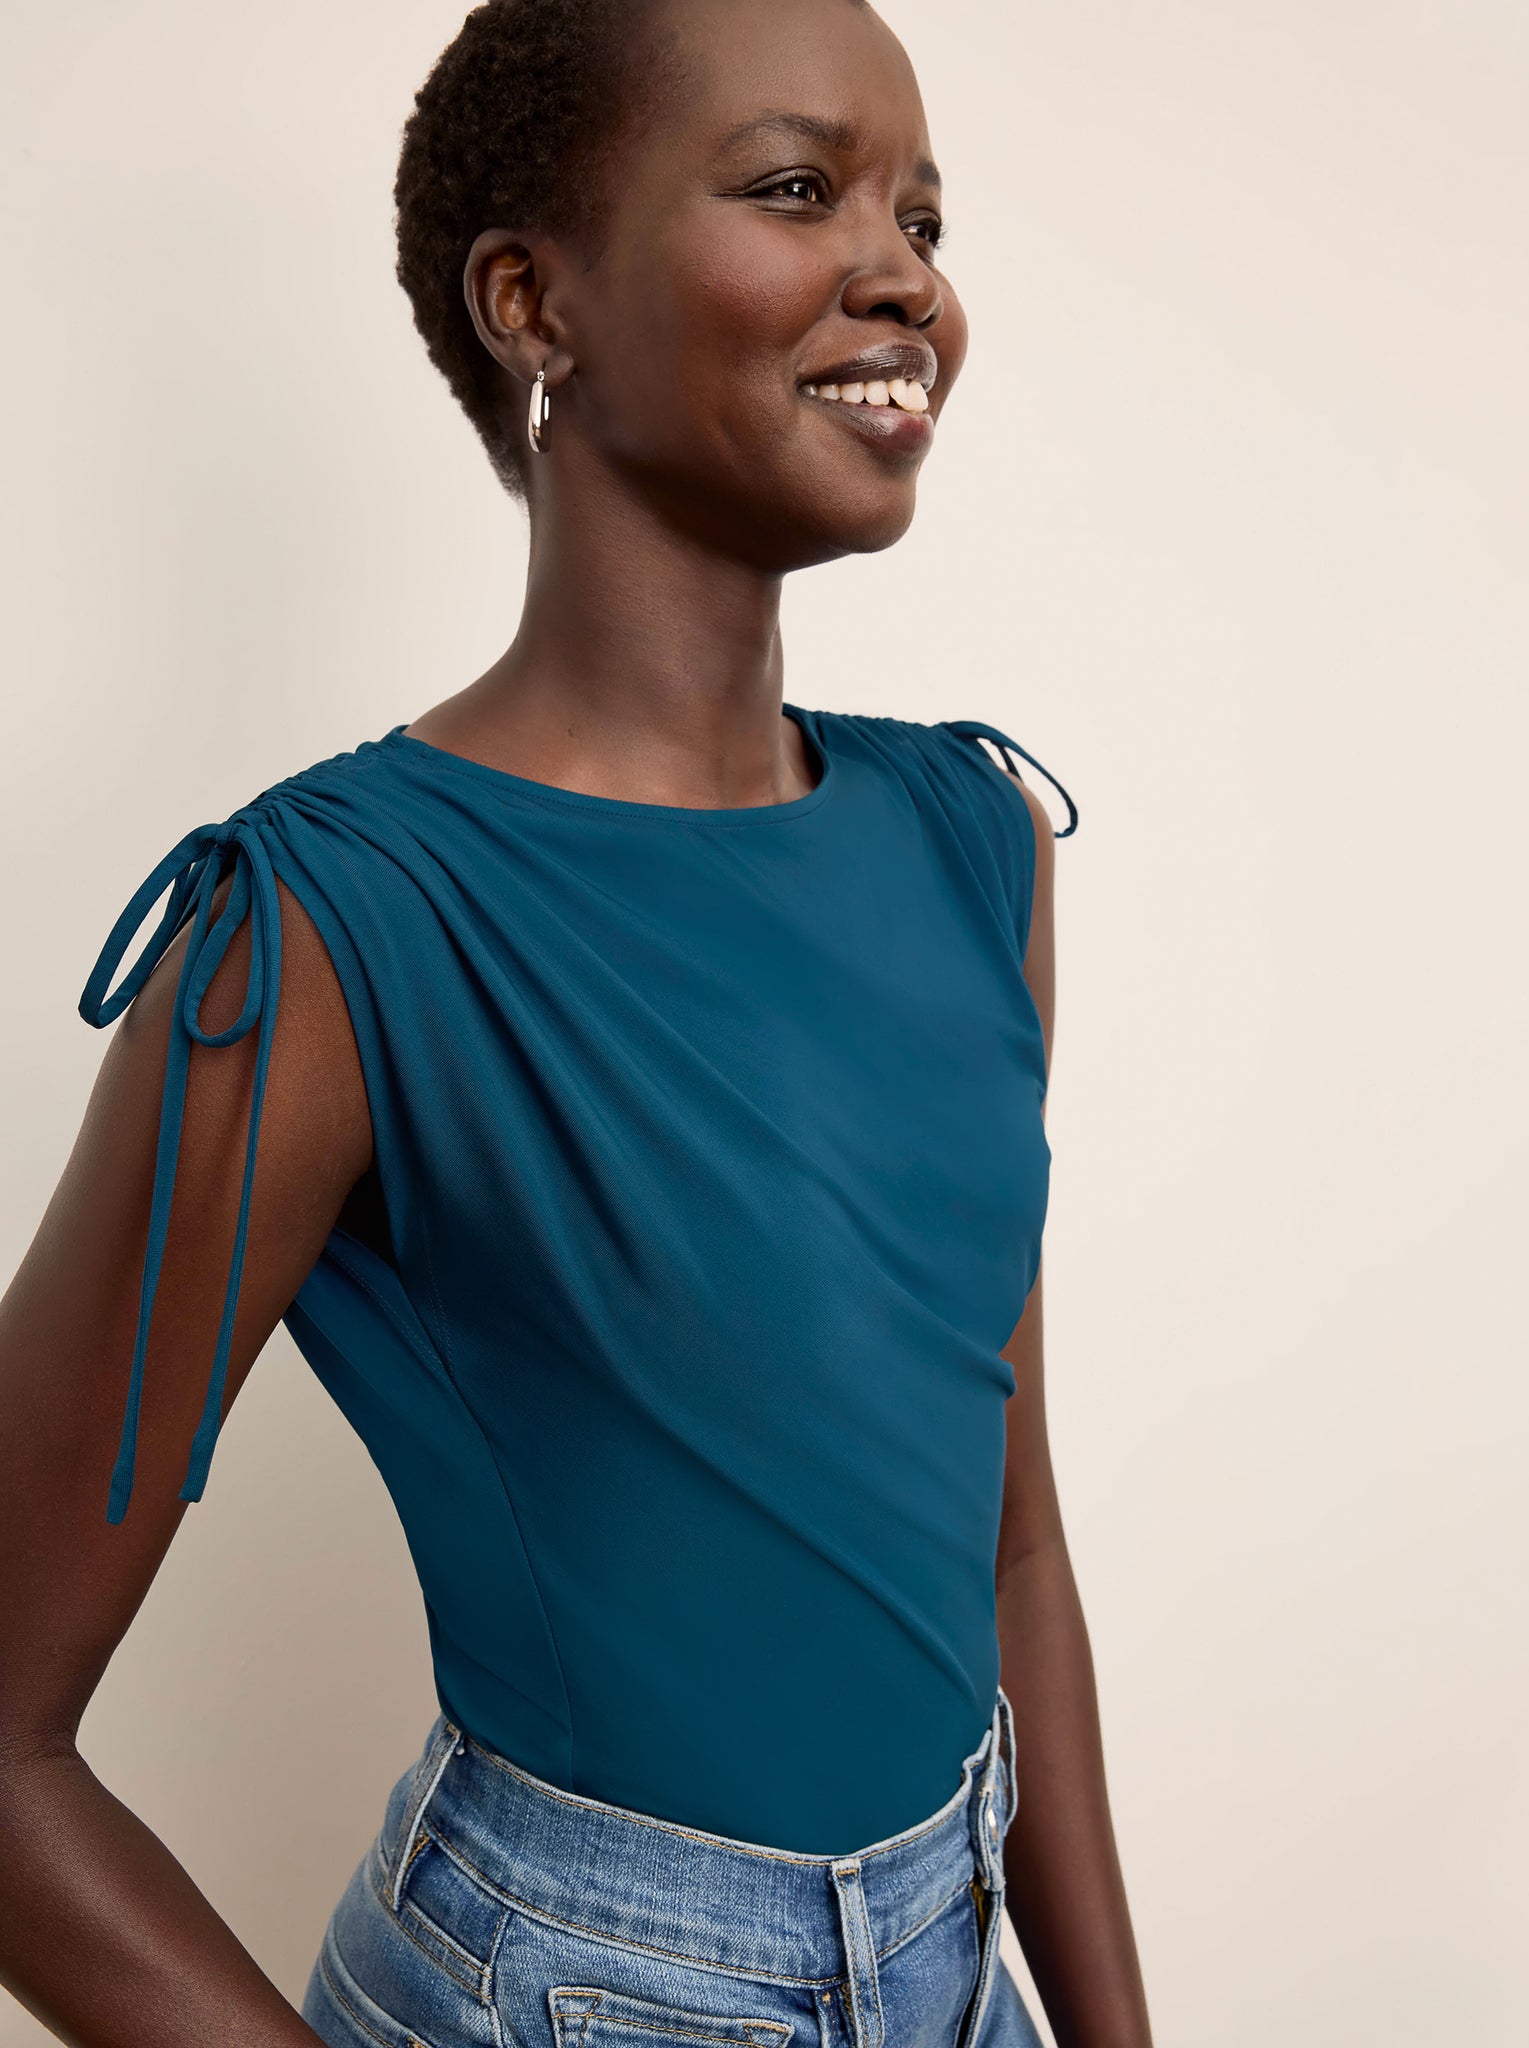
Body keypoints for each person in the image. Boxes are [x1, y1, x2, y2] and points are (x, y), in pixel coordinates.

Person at [0, 3, 1154, 2045]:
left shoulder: (978, 844)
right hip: (575, 1990)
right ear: (534, 300)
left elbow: (1008, 1551)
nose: (904, 269)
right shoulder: (328, 932)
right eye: (798, 188)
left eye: (922, 209)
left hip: (957, 1961)